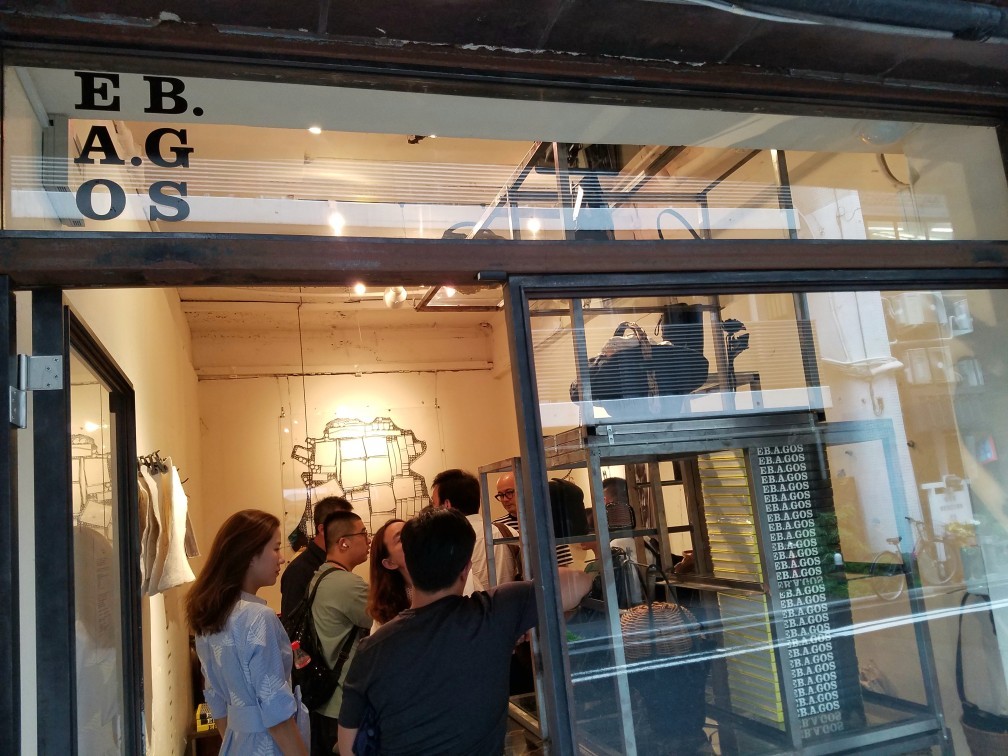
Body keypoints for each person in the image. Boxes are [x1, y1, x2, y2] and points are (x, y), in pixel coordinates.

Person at [336, 508, 593, 756]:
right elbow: (579, 581)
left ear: (409, 565)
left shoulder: (372, 649)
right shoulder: (497, 611)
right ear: (466, 567)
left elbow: (349, 746)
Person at [186, 509, 309, 756]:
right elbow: (277, 713)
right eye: (276, 548)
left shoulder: (210, 616)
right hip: (269, 745)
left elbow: (216, 701)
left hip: (235, 742)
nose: (282, 559)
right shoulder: (258, 618)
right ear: (250, 555)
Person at [307, 510, 372, 756]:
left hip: (325, 700)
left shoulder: (321, 575)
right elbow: (389, 619)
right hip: (342, 703)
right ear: (344, 542)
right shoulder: (347, 585)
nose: (368, 540)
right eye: (363, 533)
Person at [281, 496, 353, 620]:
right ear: (322, 529)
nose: (350, 533)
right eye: (343, 526)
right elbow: (292, 624)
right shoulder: (299, 570)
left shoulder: (335, 562)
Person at [431, 468, 490, 593]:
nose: (432, 509)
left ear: (447, 505)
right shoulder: (508, 532)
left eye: (434, 504)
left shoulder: (445, 544)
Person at [366, 518, 411, 627]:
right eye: (401, 538)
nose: (415, 538)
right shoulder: (387, 614)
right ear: (390, 563)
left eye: (413, 532)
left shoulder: (448, 580)